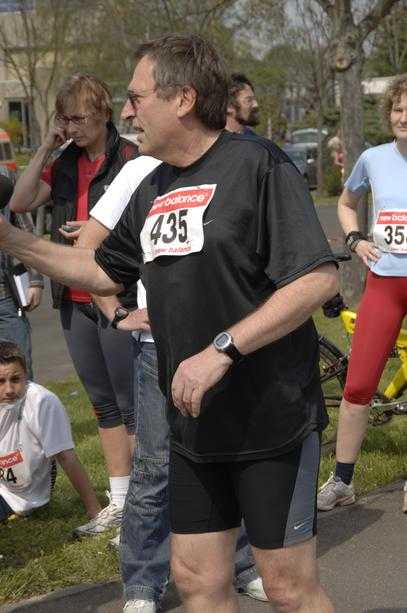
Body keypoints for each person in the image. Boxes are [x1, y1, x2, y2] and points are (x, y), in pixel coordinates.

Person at [0, 34, 338, 613]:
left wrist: (221, 350)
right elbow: (99, 269)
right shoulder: (153, 183)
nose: (128, 112)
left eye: (137, 97)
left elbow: (317, 279)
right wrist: (11, 239)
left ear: (183, 99)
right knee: (198, 581)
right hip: (191, 423)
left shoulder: (258, 164)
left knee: (287, 587)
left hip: (269, 418)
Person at [78, 155, 267, 612]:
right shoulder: (140, 172)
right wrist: (118, 313)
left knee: (230, 457)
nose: (133, 121)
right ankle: (143, 583)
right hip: (158, 348)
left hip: (225, 345)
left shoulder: (234, 162)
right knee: (156, 466)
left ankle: (242, 564)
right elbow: (88, 248)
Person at [9, 74, 139, 536]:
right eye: (66, 119)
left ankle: (144, 501)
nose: (73, 127)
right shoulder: (65, 162)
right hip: (73, 296)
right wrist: (47, 145)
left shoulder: (129, 158)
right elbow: (20, 201)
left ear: (103, 113)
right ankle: (119, 501)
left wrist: (99, 227)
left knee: (132, 406)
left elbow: (145, 216)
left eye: (80, 118)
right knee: (102, 404)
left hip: (117, 292)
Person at [318, 75, 407, 513]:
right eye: (398, 109)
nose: (403, 117)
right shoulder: (373, 159)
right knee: (357, 385)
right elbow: (346, 203)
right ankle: (342, 481)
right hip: (385, 285)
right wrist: (354, 240)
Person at [0, 340, 101, 523]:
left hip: (19, 498)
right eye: (0, 381)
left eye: (15, 379)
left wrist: (94, 510)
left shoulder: (42, 402)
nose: (9, 390)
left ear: (26, 375)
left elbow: (66, 457)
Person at [0, 174, 43, 379]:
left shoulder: (4, 182)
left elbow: (27, 235)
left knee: (19, 367)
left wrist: (35, 280)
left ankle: (24, 402)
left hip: (5, 299)